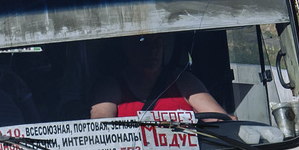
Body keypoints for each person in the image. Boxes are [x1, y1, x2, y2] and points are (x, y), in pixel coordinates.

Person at [90, 33, 230, 119]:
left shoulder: (183, 81)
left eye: (157, 42)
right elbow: (101, 131)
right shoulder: (111, 87)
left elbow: (221, 121)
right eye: (144, 42)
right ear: (127, 47)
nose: (153, 49)